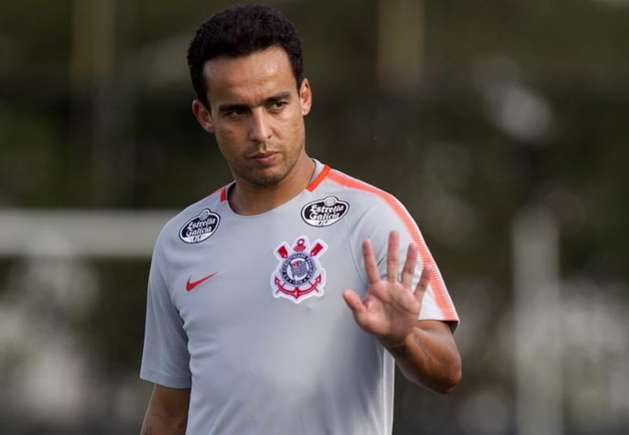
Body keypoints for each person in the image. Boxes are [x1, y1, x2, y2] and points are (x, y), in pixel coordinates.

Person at [139, 4, 461, 434]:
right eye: (236, 111)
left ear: (304, 97)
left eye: (276, 104)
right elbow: (169, 411)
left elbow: (447, 370)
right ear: (205, 116)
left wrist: (403, 340)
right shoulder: (180, 240)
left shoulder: (370, 217)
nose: (261, 131)